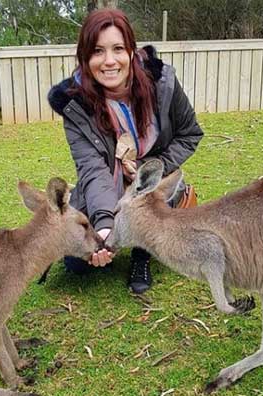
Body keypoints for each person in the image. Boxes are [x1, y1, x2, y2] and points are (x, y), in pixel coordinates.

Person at [48, 8, 203, 294]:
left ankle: (141, 255)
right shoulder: (75, 105)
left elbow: (190, 133)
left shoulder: (162, 83)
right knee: (76, 264)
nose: (109, 61)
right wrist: (105, 226)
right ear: (85, 57)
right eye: (97, 51)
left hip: (149, 182)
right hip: (106, 183)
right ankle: (119, 231)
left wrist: (154, 166)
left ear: (131, 51)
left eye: (118, 48)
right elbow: (92, 168)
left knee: (145, 200)